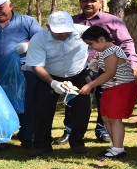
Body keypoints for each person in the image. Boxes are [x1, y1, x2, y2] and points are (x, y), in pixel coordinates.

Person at [55, 0, 137, 145]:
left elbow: (126, 42)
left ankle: (102, 131)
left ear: (101, 2)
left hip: (107, 68)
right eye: (85, 0)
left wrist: (133, 62)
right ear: (80, 3)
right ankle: (70, 131)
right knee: (74, 98)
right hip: (79, 69)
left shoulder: (113, 21)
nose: (89, 4)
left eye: (93, 0)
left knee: (106, 100)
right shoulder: (71, 22)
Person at [25, 11, 91, 156]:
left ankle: (77, 142)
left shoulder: (84, 32)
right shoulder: (38, 39)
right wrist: (53, 83)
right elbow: (37, 66)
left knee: (82, 108)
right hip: (49, 75)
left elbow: (100, 45)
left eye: (66, 31)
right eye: (58, 32)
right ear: (48, 27)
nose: (63, 35)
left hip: (78, 74)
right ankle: (42, 144)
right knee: (42, 109)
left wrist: (96, 60)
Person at [0, 0, 42, 149]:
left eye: (1, 8)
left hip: (23, 71)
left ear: (10, 6)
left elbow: (41, 40)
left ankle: (27, 138)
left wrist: (28, 45)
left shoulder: (27, 21)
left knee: (25, 103)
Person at [78, 26, 137, 159]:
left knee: (114, 118)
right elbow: (106, 69)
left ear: (101, 39)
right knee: (106, 117)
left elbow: (110, 72)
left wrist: (90, 85)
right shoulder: (105, 51)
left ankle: (118, 149)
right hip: (110, 88)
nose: (91, 47)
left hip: (120, 87)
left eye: (91, 44)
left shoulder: (112, 50)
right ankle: (115, 146)